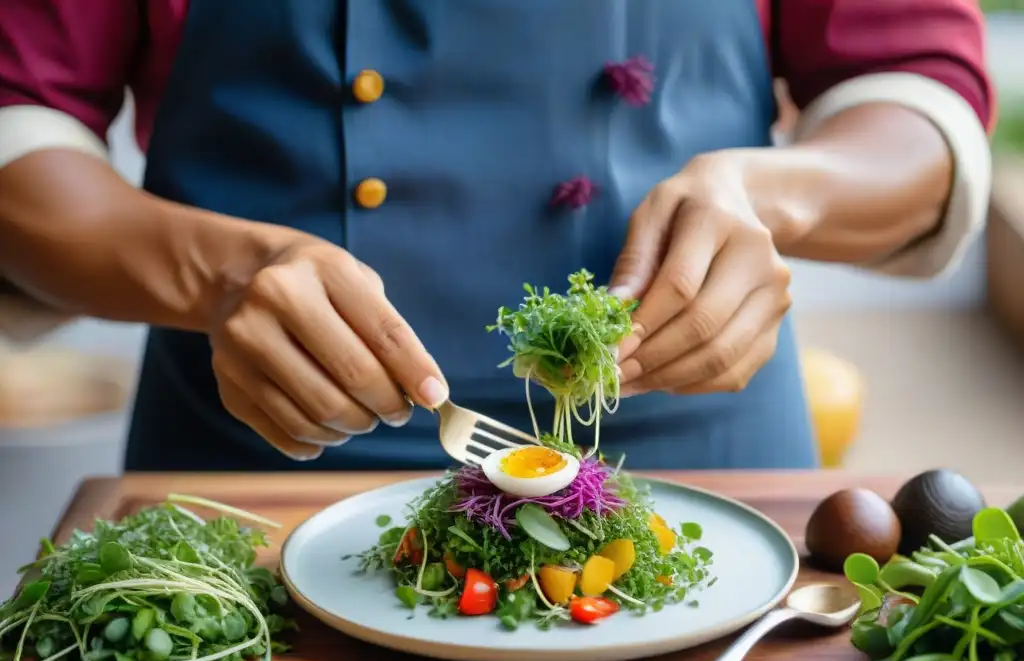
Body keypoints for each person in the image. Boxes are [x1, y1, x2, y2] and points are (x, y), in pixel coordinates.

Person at [0, 0, 994, 472]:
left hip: (705, 465)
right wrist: (220, 276)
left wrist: (775, 196)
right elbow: (22, 130)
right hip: (249, 467)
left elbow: (911, 97)